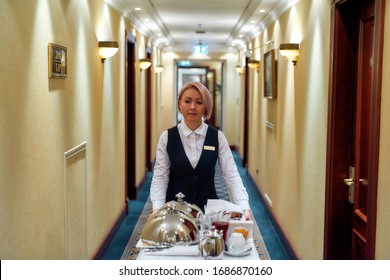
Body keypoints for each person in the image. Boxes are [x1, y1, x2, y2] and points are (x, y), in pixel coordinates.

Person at [150, 81, 252, 220]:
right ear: (179, 104)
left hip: (209, 210)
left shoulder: (217, 137)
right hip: (175, 210)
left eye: (199, 102)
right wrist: (157, 208)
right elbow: (160, 177)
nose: (192, 107)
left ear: (206, 107)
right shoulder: (167, 137)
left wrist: (244, 206)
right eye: (187, 101)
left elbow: (231, 174)